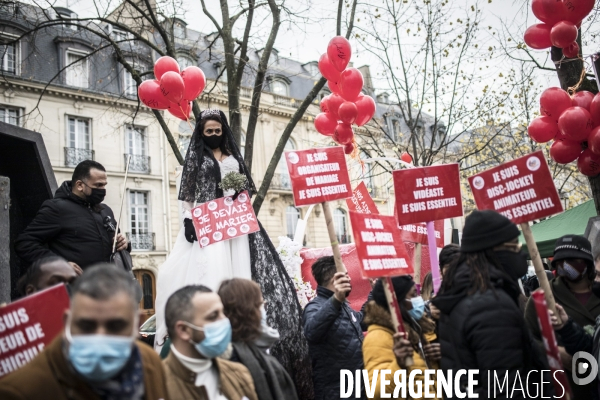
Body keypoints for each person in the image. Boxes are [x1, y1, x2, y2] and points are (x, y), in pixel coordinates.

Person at [154, 109, 311, 398]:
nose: (213, 135)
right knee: (209, 269)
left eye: (217, 131)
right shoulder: (195, 159)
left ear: (223, 131)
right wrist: (189, 221)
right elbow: (188, 195)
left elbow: (245, 191)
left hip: (234, 224)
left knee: (240, 269)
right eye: (207, 131)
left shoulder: (235, 158)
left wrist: (237, 198)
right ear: (200, 132)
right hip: (206, 223)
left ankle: (238, 323)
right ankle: (210, 320)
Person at [0, 264, 168, 400]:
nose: (100, 338)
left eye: (115, 326)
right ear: (67, 322)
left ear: (137, 323)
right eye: (87, 326)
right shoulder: (20, 391)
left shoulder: (150, 363)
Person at [431, 210, 549, 398]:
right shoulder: (491, 306)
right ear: (493, 251)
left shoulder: (462, 293)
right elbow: (506, 388)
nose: (520, 252)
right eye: (513, 246)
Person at [15, 160, 128, 274]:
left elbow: (116, 243)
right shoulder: (57, 208)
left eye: (104, 185)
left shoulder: (105, 210)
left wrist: (124, 244)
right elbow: (25, 243)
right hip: (75, 287)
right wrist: (59, 264)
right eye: (98, 185)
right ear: (79, 185)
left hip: (107, 285)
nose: (103, 189)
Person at [525, 234, 600, 399]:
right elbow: (526, 338)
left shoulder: (598, 292)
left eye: (573, 260)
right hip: (559, 387)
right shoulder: (542, 297)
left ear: (587, 263)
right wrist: (554, 352)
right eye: (561, 261)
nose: (566, 266)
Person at [162, 284, 258, 400]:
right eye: (213, 316)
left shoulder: (239, 374)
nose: (225, 321)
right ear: (183, 330)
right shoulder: (153, 386)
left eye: (223, 313)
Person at [218, 278, 298, 400]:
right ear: (248, 310)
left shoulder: (258, 345)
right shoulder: (234, 356)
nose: (264, 310)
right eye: (260, 304)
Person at [362, 276, 440, 399]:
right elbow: (374, 392)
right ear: (397, 302)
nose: (418, 299)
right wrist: (398, 365)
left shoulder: (416, 327)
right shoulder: (377, 337)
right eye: (413, 295)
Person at [302, 256, 365, 400]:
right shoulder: (315, 307)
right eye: (346, 275)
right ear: (335, 280)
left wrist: (377, 292)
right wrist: (336, 299)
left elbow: (363, 319)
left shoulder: (344, 306)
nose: (350, 280)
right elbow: (311, 331)